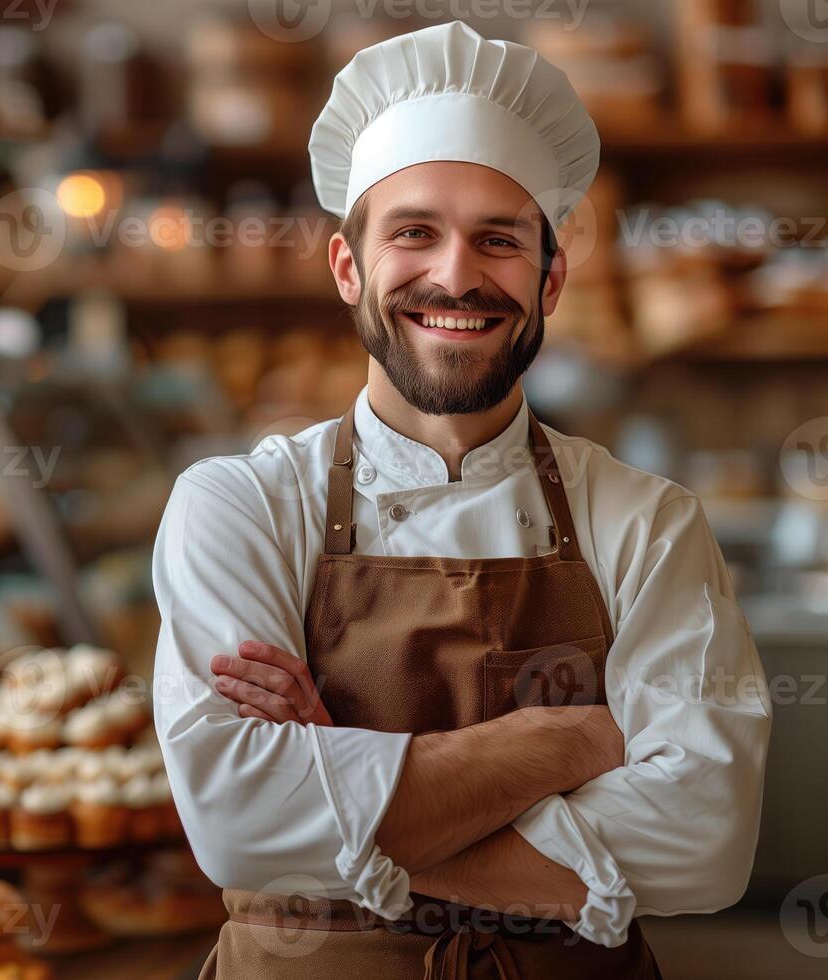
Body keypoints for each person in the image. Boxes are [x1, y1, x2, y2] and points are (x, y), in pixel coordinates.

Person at [152, 21, 771, 979]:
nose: (455, 275)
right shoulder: (238, 506)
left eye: (498, 240)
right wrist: (570, 736)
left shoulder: (647, 520)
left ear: (551, 277)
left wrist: (348, 780)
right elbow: (239, 827)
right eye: (413, 232)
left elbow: (706, 841)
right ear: (348, 269)